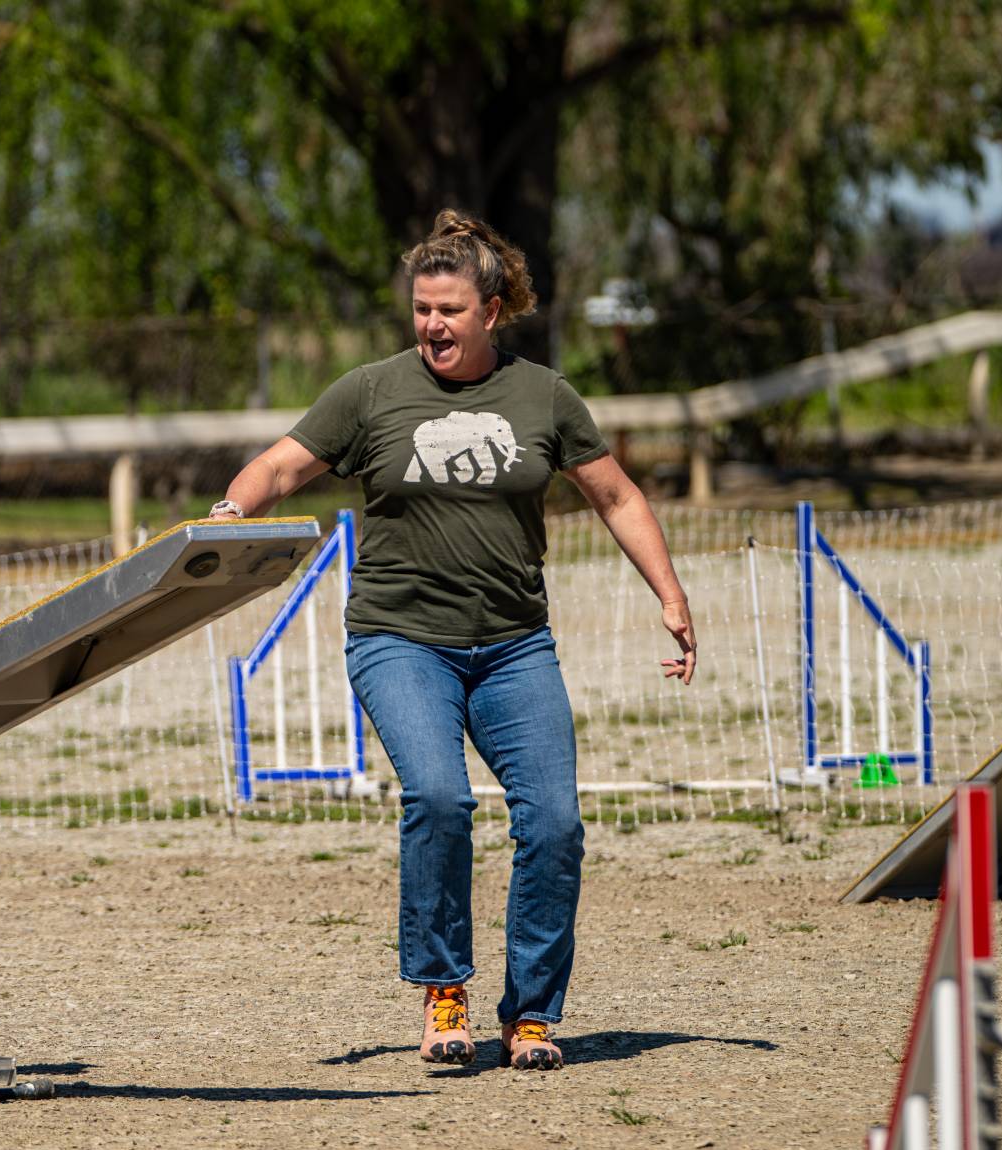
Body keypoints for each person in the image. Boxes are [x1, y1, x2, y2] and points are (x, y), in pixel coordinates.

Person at [209, 210, 695, 1071]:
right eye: (422, 309)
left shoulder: (543, 396)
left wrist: (671, 594)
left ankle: (531, 1014)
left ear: (491, 312)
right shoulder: (372, 392)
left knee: (556, 824)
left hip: (514, 645)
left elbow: (616, 496)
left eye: (449, 311)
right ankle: (444, 989)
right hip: (400, 639)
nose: (432, 325)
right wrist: (230, 511)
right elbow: (283, 464)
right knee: (438, 799)